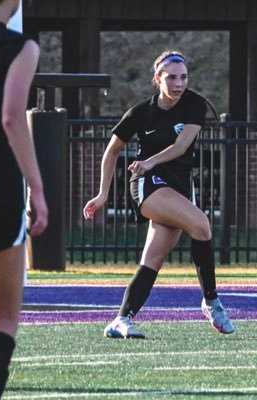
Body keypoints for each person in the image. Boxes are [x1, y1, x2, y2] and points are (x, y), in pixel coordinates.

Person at [83, 50, 234, 339]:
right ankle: (211, 301)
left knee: (153, 259)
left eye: (184, 77)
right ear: (157, 79)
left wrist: (152, 159)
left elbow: (182, 145)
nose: (179, 83)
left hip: (175, 185)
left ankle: (121, 320)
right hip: (147, 184)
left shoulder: (194, 104)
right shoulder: (141, 112)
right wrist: (103, 194)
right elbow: (111, 150)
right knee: (201, 225)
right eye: (172, 77)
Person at [0, 0, 48, 397]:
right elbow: (12, 117)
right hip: (0, 186)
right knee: (5, 317)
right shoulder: (22, 47)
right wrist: (38, 189)